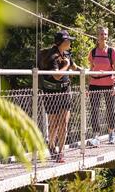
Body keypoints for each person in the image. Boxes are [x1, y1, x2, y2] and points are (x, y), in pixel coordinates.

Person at [36, 30, 79, 163]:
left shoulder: (66, 53)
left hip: (65, 91)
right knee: (54, 124)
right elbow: (57, 76)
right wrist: (66, 65)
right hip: (51, 93)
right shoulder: (52, 56)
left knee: (64, 123)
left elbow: (74, 67)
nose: (70, 42)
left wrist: (87, 73)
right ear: (62, 42)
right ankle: (51, 146)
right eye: (68, 40)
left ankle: (61, 153)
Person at [88, 26, 115, 145]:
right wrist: (88, 86)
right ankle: (96, 136)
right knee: (94, 110)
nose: (103, 36)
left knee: (110, 109)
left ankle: (111, 133)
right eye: (101, 34)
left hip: (109, 83)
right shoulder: (93, 52)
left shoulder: (112, 51)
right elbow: (91, 69)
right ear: (97, 36)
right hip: (94, 83)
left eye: (105, 34)